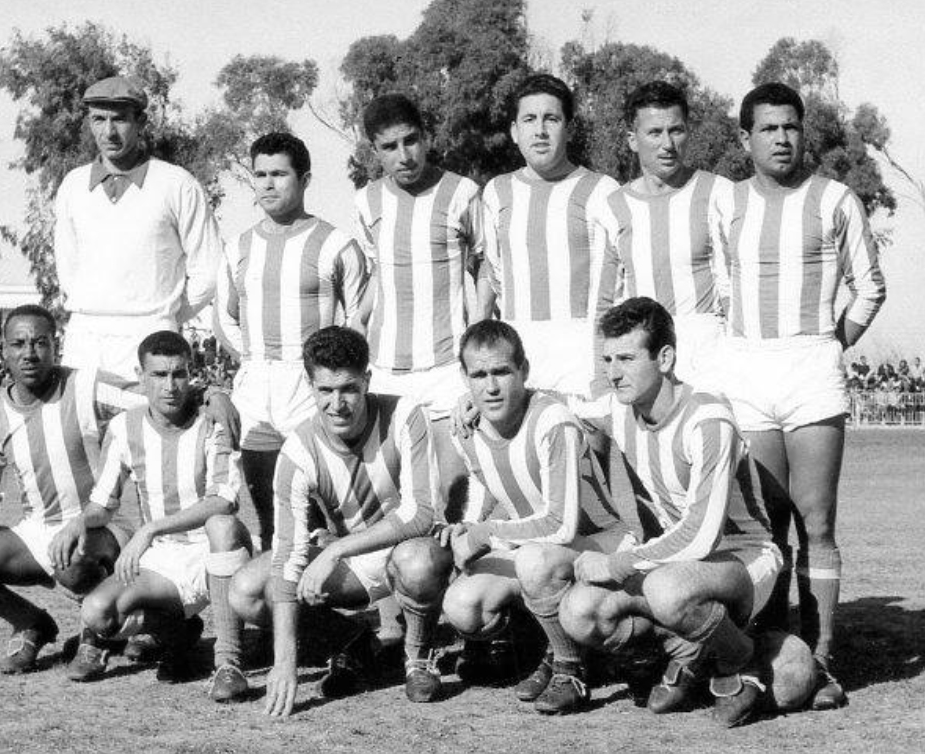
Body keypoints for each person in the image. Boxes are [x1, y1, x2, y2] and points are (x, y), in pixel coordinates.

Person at [715, 82, 885, 709]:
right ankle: (775, 656)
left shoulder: (836, 198)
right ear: (745, 138)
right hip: (749, 372)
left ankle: (823, 660)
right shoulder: (724, 203)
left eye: (790, 127)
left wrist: (828, 346)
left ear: (802, 132)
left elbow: (870, 286)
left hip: (812, 365)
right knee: (767, 527)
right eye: (767, 129)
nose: (781, 138)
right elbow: (707, 288)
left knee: (817, 521)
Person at [558, 297, 782, 728]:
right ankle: (687, 652)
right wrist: (470, 402)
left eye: (626, 358)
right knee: (578, 611)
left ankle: (741, 660)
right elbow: (549, 401)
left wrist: (618, 562)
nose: (613, 372)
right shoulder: (618, 408)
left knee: (666, 590)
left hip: (743, 558)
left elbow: (700, 534)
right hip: (675, 564)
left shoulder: (709, 418)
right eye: (608, 359)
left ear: (665, 357)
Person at [227, 326, 452, 715]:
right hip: (353, 564)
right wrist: (285, 662)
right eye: (325, 391)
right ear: (310, 386)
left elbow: (420, 514)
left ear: (366, 380)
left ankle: (417, 658)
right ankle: (352, 641)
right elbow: (287, 557)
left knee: (418, 562)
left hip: (408, 548)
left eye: (348, 388)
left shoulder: (404, 415)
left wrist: (336, 550)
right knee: (246, 589)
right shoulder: (298, 449)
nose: (337, 404)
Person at [0, 305, 145, 673]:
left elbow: (151, 397)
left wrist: (210, 396)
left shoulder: (84, 387)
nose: (30, 353)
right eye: (18, 344)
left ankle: (97, 634)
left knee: (72, 559)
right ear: (3, 350)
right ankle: (30, 623)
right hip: (35, 532)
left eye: (40, 343)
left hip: (99, 527)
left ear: (55, 347)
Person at [436, 320, 631, 715]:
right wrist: (468, 527)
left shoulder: (552, 420)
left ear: (523, 371)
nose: (491, 387)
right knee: (462, 605)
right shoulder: (466, 426)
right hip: (537, 545)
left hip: (601, 540)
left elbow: (560, 524)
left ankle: (570, 668)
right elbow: (487, 483)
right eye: (479, 374)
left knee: (534, 560)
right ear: (464, 378)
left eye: (502, 372)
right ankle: (542, 643)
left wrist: (487, 533)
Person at [58, 331, 254, 696]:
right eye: (159, 375)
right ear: (141, 376)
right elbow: (104, 503)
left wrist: (149, 530)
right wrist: (79, 522)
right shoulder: (123, 427)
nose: (170, 386)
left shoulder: (212, 421)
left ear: (191, 374)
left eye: (179, 374)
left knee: (223, 526)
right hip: (163, 559)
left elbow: (223, 501)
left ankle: (229, 664)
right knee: (96, 613)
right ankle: (176, 632)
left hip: (212, 550)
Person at [214, 132, 368, 551]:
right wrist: (250, 360)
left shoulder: (336, 244)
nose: (267, 184)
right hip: (256, 386)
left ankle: (330, 603)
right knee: (265, 500)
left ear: (304, 179)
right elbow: (224, 319)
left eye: (279, 174)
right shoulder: (238, 247)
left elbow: (357, 320)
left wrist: (323, 371)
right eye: (260, 174)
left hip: (308, 384)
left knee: (317, 499)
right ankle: (277, 597)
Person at [353, 93, 483, 522]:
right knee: (394, 495)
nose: (404, 155)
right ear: (374, 151)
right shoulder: (366, 201)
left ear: (426, 138)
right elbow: (378, 272)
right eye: (390, 147)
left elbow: (485, 268)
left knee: (453, 488)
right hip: (387, 369)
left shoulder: (463, 192)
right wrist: (357, 320)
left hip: (447, 366)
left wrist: (476, 343)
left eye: (411, 141)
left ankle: (460, 580)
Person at [54, 75, 222, 380]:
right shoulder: (73, 185)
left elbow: (208, 271)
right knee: (83, 427)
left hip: (150, 335)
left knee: (146, 426)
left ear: (141, 121)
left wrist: (165, 315)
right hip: (84, 337)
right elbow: (67, 268)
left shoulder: (176, 183)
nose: (109, 132)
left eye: (119, 120)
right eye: (98, 119)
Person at [481, 73, 620, 399]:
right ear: (515, 131)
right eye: (529, 119)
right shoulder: (497, 192)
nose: (540, 131)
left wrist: (602, 371)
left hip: (581, 362)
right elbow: (496, 276)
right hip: (517, 357)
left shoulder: (601, 190)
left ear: (568, 129)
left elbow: (611, 290)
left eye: (551, 119)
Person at [591, 81, 732, 387]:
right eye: (655, 133)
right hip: (640, 356)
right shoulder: (612, 207)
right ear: (632, 139)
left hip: (708, 355)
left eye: (676, 130)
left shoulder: (718, 192)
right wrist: (602, 382)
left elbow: (735, 289)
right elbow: (604, 304)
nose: (667, 144)